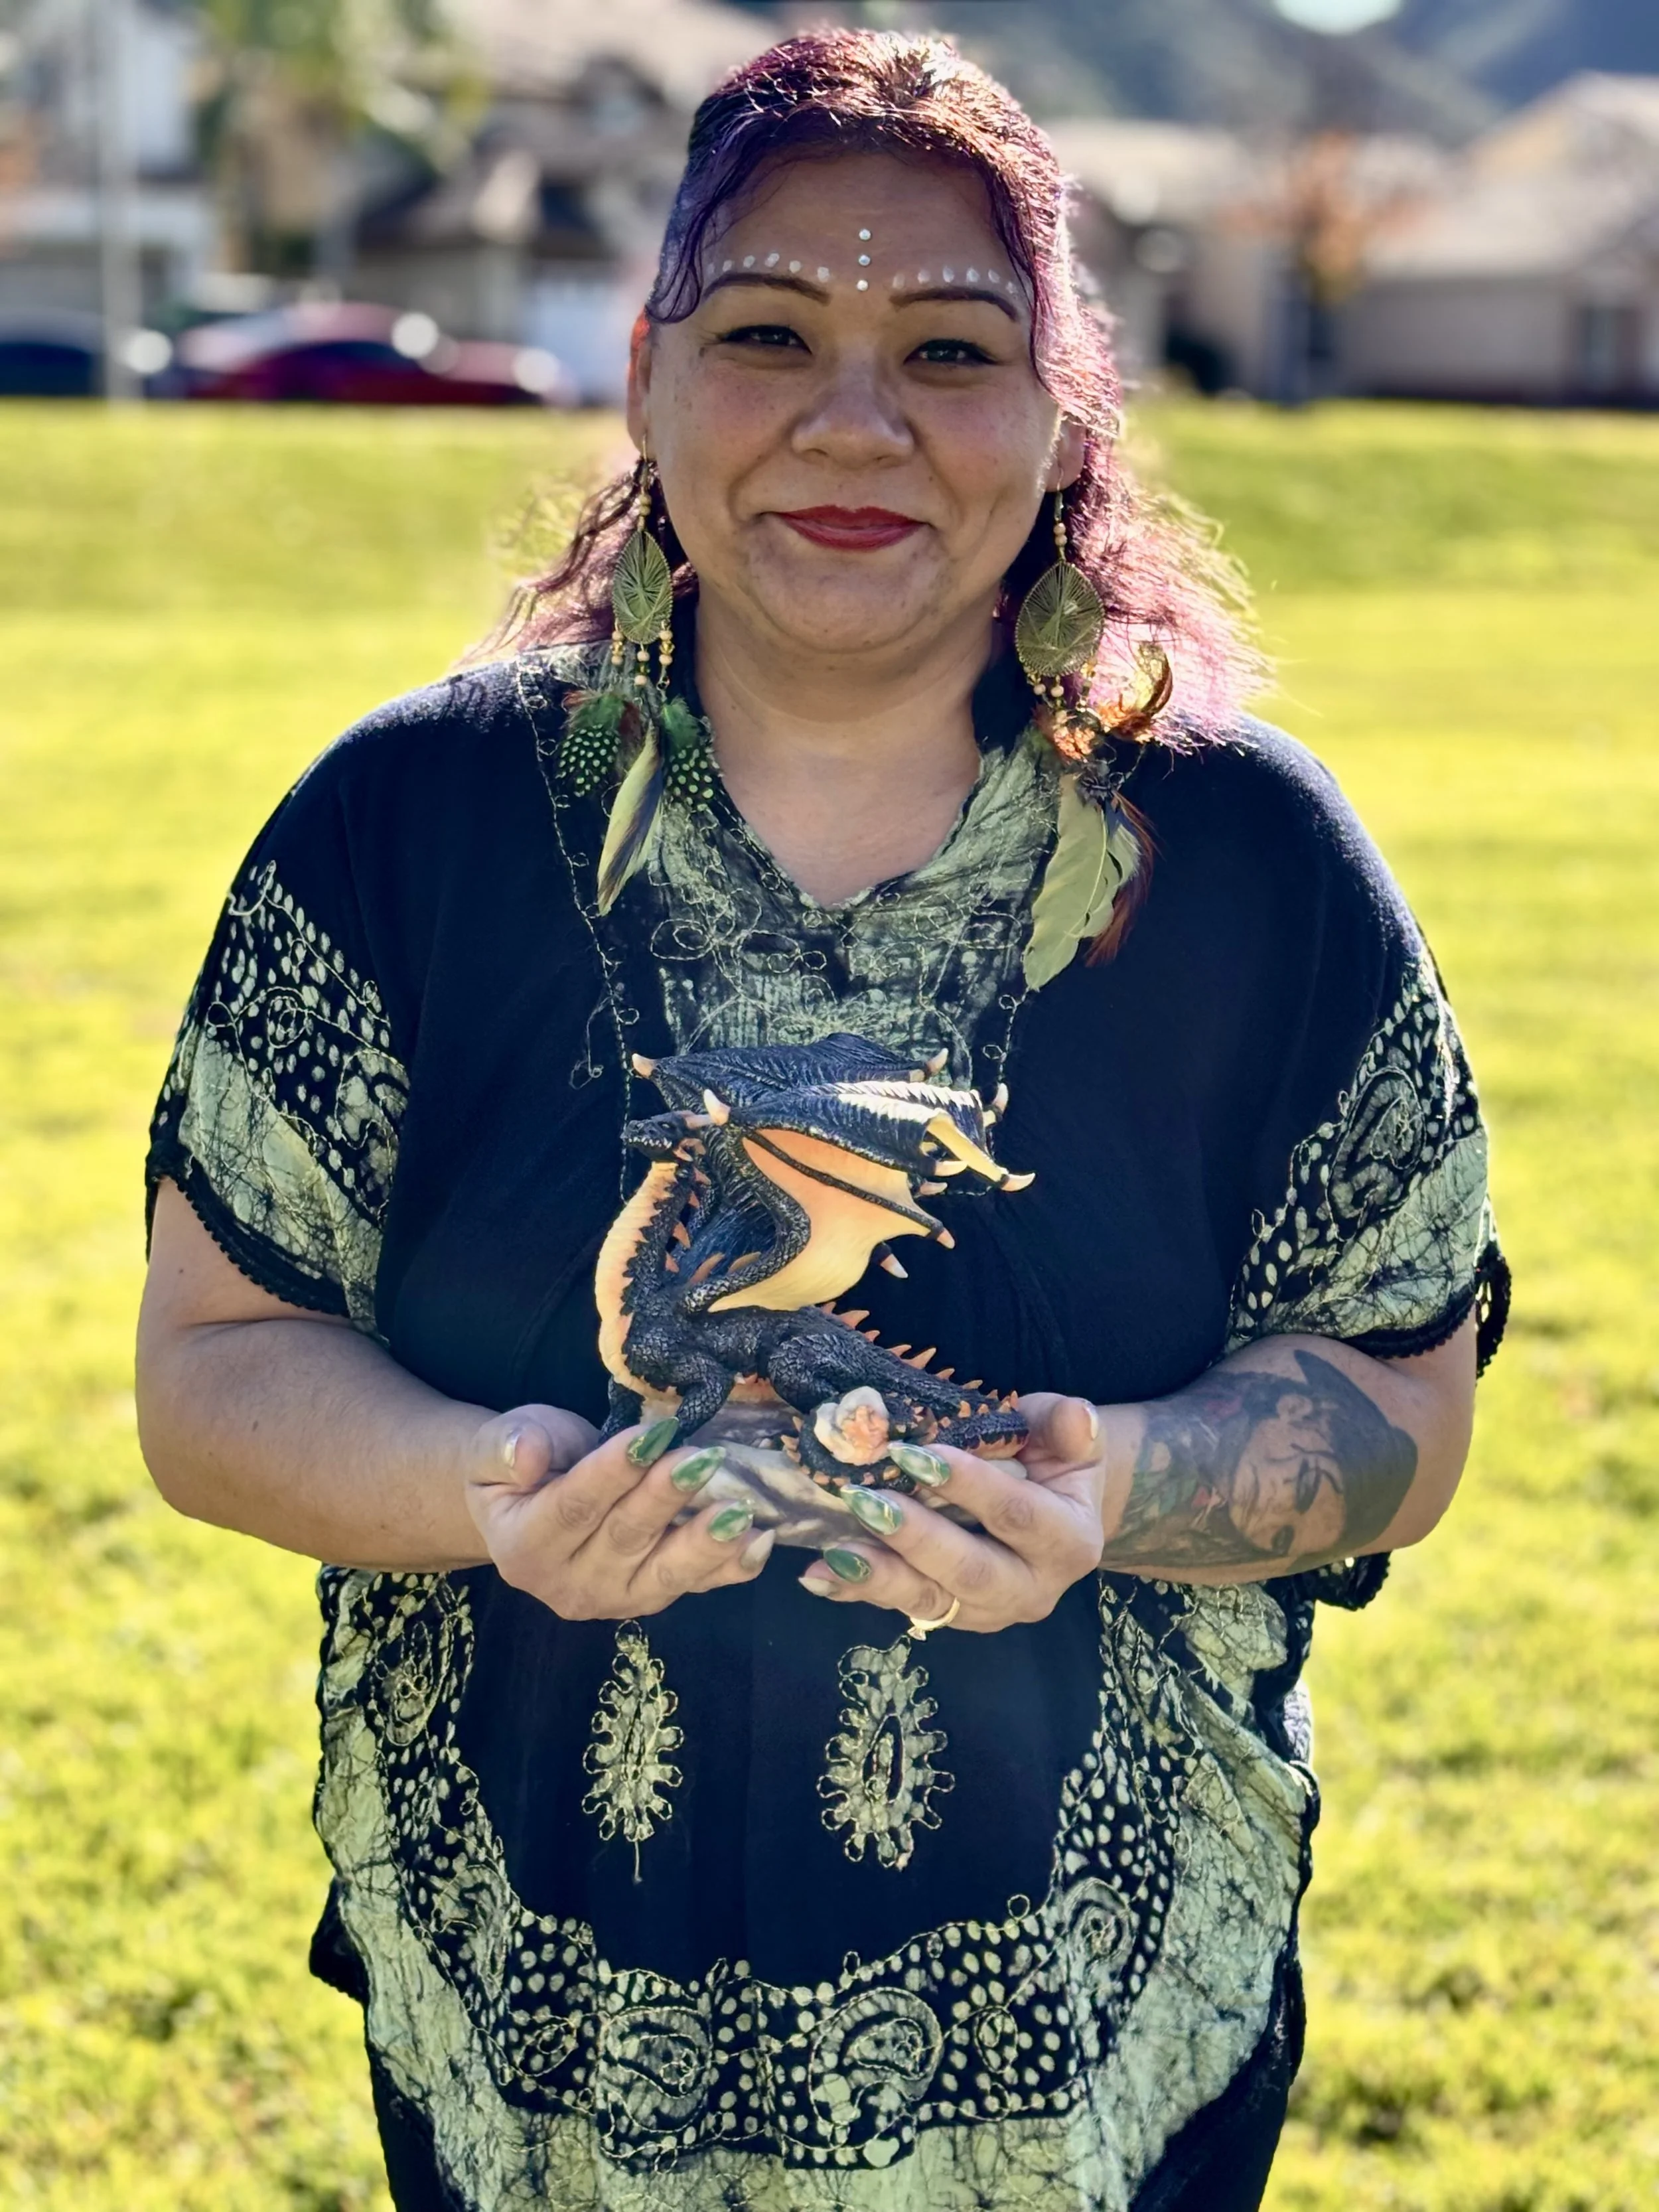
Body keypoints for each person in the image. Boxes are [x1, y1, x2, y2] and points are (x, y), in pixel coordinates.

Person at [135, 31, 1507, 2212]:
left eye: (948, 349)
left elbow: (1402, 1404)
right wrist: (490, 1489)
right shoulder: (402, 832)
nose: (853, 419)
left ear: (1057, 415)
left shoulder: (1243, 866)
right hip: (539, 2042)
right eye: (768, 330)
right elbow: (209, 1375)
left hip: (1090, 2053)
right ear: (651, 383)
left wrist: (1112, 1485)